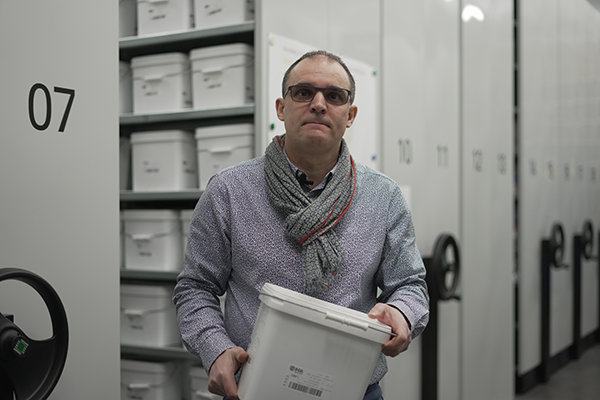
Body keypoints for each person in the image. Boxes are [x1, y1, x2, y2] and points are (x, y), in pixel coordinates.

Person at [173, 50, 429, 400]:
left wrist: (401, 312)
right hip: (255, 387)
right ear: (281, 107)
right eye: (303, 92)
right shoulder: (229, 191)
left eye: (334, 96)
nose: (319, 104)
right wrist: (215, 349)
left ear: (350, 115)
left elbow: (410, 283)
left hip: (355, 390)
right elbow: (195, 287)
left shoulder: (383, 196)